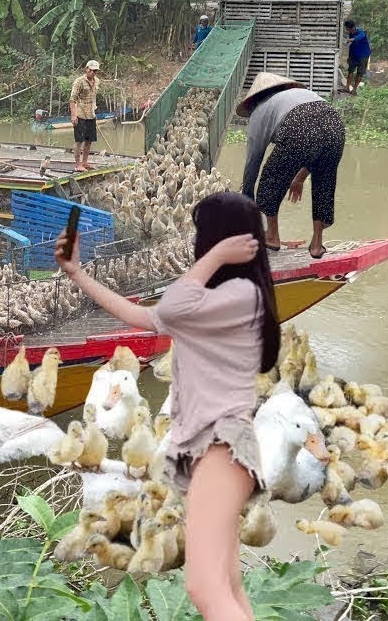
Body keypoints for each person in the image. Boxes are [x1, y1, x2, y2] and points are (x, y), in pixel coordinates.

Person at [55, 191, 278, 621]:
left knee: (203, 588)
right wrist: (77, 273)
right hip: (210, 449)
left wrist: (213, 256)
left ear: (222, 240)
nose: (198, 243)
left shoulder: (241, 294)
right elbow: (149, 317)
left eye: (203, 235)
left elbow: (174, 303)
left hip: (221, 446)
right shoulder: (213, 305)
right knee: (227, 584)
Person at [237, 72, 345, 259]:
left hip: (299, 124)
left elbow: (253, 162)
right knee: (324, 184)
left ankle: (272, 236)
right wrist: (300, 177)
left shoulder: (259, 112)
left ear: (252, 102)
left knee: (270, 179)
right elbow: (317, 144)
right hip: (335, 123)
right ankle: (317, 245)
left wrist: (247, 195)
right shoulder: (299, 95)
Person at [69, 60, 100, 172]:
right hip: (80, 114)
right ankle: (77, 165)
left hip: (91, 115)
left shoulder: (96, 81)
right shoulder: (79, 82)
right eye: (90, 70)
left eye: (95, 71)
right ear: (86, 69)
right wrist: (73, 115)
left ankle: (85, 162)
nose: (92, 72)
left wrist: (94, 111)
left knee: (89, 140)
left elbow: (93, 98)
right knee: (79, 140)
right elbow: (72, 99)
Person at [344, 19, 372, 95]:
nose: (347, 29)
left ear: (348, 27)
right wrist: (349, 56)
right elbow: (351, 46)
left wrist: (350, 40)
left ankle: (354, 90)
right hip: (353, 55)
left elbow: (360, 37)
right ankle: (347, 87)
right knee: (350, 71)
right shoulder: (350, 33)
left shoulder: (360, 32)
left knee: (359, 73)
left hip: (363, 56)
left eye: (346, 28)